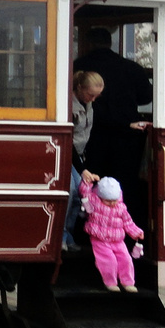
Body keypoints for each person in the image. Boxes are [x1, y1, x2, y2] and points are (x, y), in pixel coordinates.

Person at [74, 26, 152, 209]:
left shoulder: (79, 67)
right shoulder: (131, 68)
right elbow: (146, 97)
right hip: (127, 139)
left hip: (93, 139)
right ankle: (124, 226)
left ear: (89, 44)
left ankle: (90, 228)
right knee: (125, 186)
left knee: (91, 187)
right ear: (110, 43)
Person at [77, 174, 146, 292]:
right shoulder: (94, 201)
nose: (112, 203)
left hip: (117, 240)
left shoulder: (121, 207)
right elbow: (84, 192)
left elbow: (128, 222)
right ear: (100, 196)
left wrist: (136, 232)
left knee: (126, 259)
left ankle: (128, 282)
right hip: (99, 238)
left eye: (114, 200)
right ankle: (111, 282)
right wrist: (87, 182)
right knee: (108, 261)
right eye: (108, 201)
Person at [64, 71, 104, 253]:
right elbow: (68, 141)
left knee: (81, 194)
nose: (93, 99)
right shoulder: (70, 108)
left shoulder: (87, 105)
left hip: (79, 155)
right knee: (71, 191)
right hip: (68, 154)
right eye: (90, 95)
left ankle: (68, 235)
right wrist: (82, 169)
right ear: (79, 88)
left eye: (96, 96)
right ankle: (61, 237)